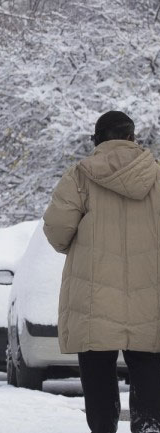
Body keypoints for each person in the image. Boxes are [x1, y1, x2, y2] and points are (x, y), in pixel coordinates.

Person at [43, 111, 160, 433]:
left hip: (93, 297)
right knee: (149, 369)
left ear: (97, 140)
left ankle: (103, 429)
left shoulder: (79, 176)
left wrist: (80, 248)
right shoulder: (157, 176)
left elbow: (56, 228)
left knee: (97, 374)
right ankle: (149, 426)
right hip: (150, 296)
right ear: (133, 138)